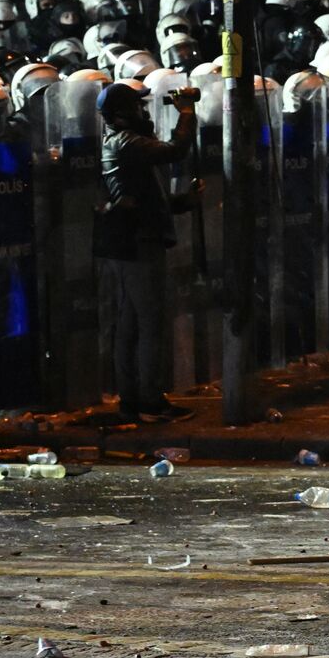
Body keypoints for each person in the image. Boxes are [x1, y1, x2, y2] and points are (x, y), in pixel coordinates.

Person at [93, 79, 201, 423]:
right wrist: (186, 112)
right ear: (124, 114)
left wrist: (183, 202)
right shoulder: (127, 142)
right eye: (138, 106)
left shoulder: (127, 143)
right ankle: (150, 401)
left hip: (130, 240)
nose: (144, 111)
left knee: (131, 322)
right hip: (137, 243)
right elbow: (175, 149)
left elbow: (148, 198)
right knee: (149, 322)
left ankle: (132, 399)